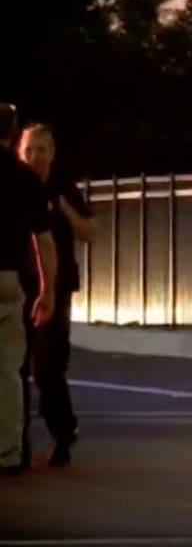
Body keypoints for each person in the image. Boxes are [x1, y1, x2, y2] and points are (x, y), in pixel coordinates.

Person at [18, 123, 93, 468]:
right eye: (29, 149)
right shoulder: (13, 183)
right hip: (19, 285)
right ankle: (15, 441)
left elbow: (90, 232)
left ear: (53, 153)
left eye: (41, 149)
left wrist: (64, 209)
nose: (35, 156)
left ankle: (62, 434)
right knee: (15, 366)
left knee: (48, 366)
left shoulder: (61, 186)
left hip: (57, 287)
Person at [0, 102, 56, 477]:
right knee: (8, 372)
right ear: (12, 134)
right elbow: (44, 242)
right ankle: (8, 451)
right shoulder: (25, 179)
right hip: (8, 279)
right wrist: (47, 289)